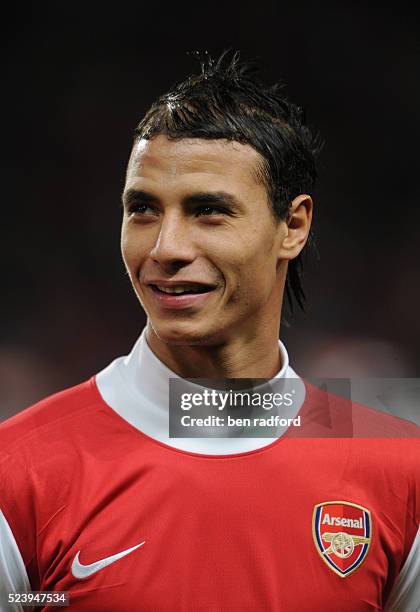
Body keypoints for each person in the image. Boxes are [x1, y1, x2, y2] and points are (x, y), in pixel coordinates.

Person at [0, 52, 419, 612]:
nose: (165, 248)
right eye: (143, 209)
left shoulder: (399, 470)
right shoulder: (18, 474)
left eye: (208, 211)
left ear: (292, 226)